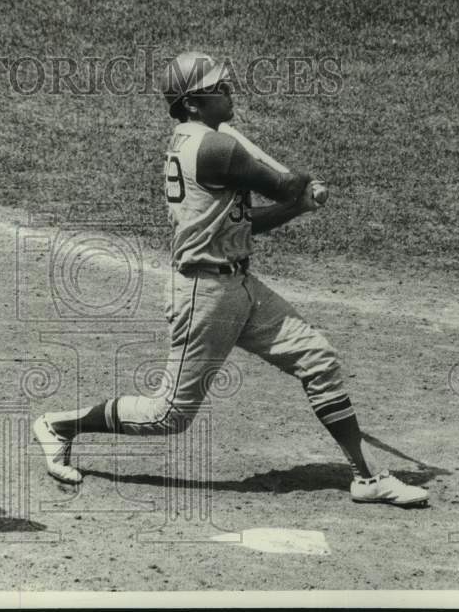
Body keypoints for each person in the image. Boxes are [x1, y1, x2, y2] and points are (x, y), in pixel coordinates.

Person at [33, 51, 429, 508]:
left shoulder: (199, 141)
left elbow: (245, 223)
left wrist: (299, 205)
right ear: (194, 103)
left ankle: (366, 478)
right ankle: (60, 424)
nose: (229, 92)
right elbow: (283, 183)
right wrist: (300, 186)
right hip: (205, 295)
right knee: (169, 416)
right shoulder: (216, 149)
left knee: (317, 359)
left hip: (239, 287)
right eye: (218, 88)